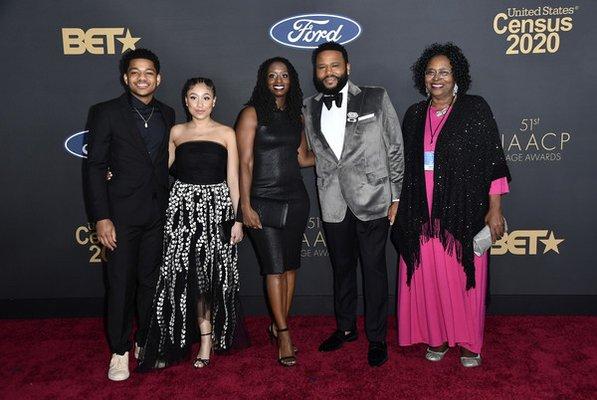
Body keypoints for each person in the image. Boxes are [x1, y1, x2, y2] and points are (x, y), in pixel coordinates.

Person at [392, 42, 511, 367]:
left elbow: (492, 161)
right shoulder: (415, 114)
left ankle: (470, 343)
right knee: (428, 278)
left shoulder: (474, 109)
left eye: (444, 71)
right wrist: (398, 203)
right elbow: (403, 167)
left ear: (456, 75)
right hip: (421, 212)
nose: (436, 78)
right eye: (430, 72)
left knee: (463, 279)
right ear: (423, 78)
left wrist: (495, 208)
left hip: (463, 211)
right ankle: (437, 337)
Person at [302, 42, 404, 367]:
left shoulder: (375, 96)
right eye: (322, 67)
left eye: (335, 65)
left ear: (348, 67)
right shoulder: (308, 107)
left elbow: (395, 147)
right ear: (315, 72)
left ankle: (377, 337)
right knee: (342, 270)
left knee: (374, 272)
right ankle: (345, 329)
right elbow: (314, 154)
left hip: (373, 198)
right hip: (333, 203)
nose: (328, 72)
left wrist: (397, 195)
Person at [137, 77, 246, 371]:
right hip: (182, 212)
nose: (200, 104)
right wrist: (119, 173)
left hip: (216, 211)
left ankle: (207, 341)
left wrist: (237, 220)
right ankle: (177, 339)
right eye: (194, 97)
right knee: (182, 277)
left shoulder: (226, 133)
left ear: (215, 101)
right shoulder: (176, 131)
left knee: (208, 279)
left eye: (206, 97)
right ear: (185, 101)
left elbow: (233, 179)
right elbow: (158, 171)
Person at [85, 48, 175, 381]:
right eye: (135, 72)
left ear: (158, 78)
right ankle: (120, 350)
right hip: (120, 215)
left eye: (148, 72)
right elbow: (95, 167)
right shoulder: (106, 112)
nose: (142, 77)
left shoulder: (168, 113)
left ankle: (145, 342)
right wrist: (102, 217)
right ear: (126, 77)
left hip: (156, 213)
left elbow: (165, 162)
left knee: (150, 283)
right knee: (121, 284)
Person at [236, 57, 313, 367]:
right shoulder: (251, 113)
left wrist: (343, 152)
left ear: (291, 80)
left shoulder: (298, 116)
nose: (278, 80)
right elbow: (244, 163)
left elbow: (304, 157)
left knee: (291, 267)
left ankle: (278, 323)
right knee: (274, 268)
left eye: (284, 75)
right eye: (272, 75)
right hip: (262, 200)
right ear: (264, 80)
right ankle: (283, 332)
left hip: (296, 199)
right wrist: (245, 205)